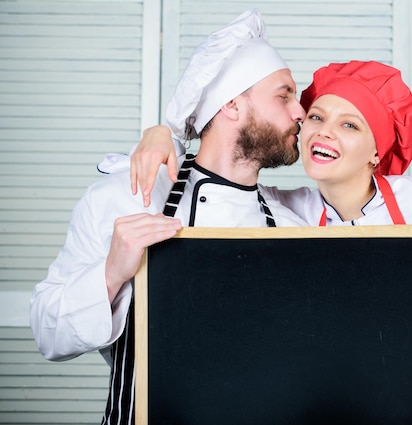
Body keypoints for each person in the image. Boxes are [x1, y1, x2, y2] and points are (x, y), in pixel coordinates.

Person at [117, 60, 412, 424]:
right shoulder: (284, 210)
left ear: (376, 152)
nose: (324, 132)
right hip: (361, 406)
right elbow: (220, 170)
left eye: (349, 125)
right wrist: (166, 133)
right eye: (316, 117)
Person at [29, 9, 308, 424]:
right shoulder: (125, 198)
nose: (301, 112)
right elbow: (47, 335)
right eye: (284, 96)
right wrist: (109, 274)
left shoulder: (290, 228)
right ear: (232, 104)